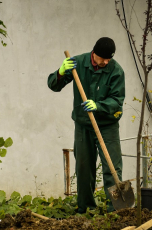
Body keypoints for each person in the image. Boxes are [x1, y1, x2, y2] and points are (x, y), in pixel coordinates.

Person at [47, 37, 125, 213]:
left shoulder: (116, 71)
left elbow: (117, 100)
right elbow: (53, 86)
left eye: (109, 58)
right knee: (83, 167)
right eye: (102, 58)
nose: (106, 62)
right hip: (83, 124)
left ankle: (117, 209)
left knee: (112, 167)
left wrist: (99, 106)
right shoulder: (78, 63)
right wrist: (60, 72)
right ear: (94, 53)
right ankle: (86, 208)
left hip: (107, 125)